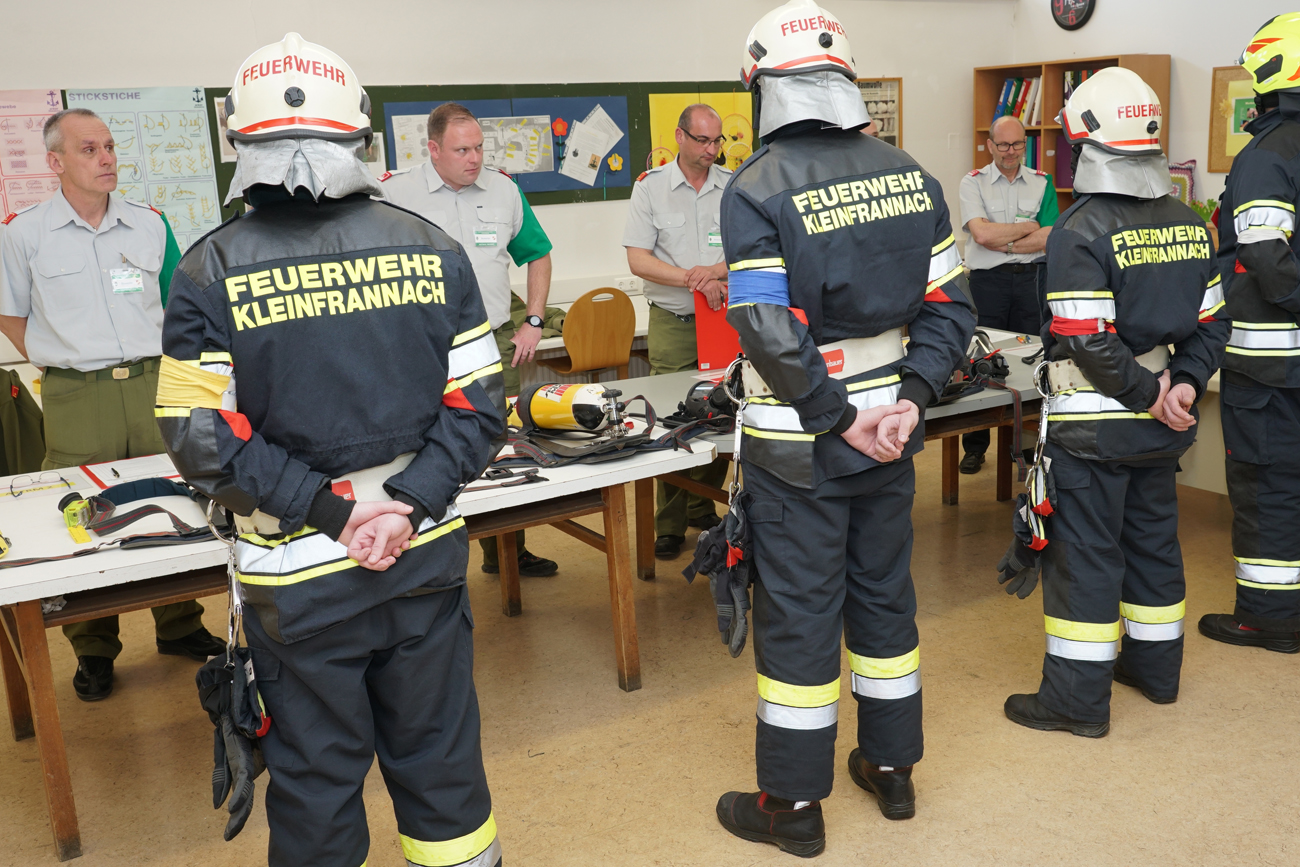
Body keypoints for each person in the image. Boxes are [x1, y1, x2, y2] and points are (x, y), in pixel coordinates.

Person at [156, 34, 505, 867]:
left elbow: (200, 436)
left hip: (298, 572)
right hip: (421, 551)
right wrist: (406, 505)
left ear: (237, 140)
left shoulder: (210, 268)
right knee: (441, 755)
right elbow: (480, 405)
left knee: (316, 778)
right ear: (361, 134)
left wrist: (333, 513)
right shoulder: (434, 247)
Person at [713, 1, 975, 856]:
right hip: (892, 435)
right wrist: (912, 398)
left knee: (800, 616)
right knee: (885, 600)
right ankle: (893, 768)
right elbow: (951, 309)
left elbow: (765, 326)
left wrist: (835, 418)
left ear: (760, 85)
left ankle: (791, 805)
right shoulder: (911, 174)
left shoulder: (755, 188)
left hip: (803, 449)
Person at [1000, 68, 1228, 736]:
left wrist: (1150, 395)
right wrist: (1181, 384)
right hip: (1161, 428)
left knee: (1085, 559)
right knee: (1153, 547)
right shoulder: (1190, 223)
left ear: (1083, 142)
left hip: (1094, 431)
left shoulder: (1079, 230)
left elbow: (1087, 340)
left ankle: (1075, 702)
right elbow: (1213, 324)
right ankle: (1156, 673)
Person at [0, 108, 224, 703]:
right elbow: (10, 313)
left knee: (173, 496)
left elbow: (178, 303)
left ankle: (180, 624)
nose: (106, 159)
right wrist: (57, 359)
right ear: (55, 161)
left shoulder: (150, 223)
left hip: (153, 382)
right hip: (77, 393)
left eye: (110, 147)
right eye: (89, 149)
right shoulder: (23, 233)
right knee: (82, 512)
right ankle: (94, 647)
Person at [382, 102, 558, 578]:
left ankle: (507, 553)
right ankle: (424, 554)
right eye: (462, 150)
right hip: (422, 350)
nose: (475, 158)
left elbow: (538, 254)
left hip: (490, 344)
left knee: (496, 445)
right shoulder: (393, 195)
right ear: (433, 149)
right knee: (422, 448)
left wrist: (534, 320)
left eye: (479, 147)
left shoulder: (503, 190)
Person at [1199, 14, 1300, 654]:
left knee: (1269, 488)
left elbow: (1266, 258)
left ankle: (1269, 617)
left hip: (1270, 369)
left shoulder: (1267, 155)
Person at [623, 103, 732, 559]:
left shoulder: (732, 186)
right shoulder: (650, 188)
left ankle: (700, 505)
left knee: (723, 409)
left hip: (723, 319)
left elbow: (750, 248)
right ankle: (667, 524)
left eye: (717, 140)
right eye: (703, 140)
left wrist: (715, 273)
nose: (712, 149)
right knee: (673, 420)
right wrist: (694, 278)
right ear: (680, 136)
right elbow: (638, 260)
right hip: (673, 320)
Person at [956, 115, 1058, 474]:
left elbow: (1049, 235)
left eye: (1016, 144)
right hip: (988, 283)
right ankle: (975, 446)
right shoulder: (973, 183)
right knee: (980, 359)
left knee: (1031, 357)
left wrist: (1007, 243)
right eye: (1002, 144)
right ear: (990, 145)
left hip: (1031, 281)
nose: (1010, 151)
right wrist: (1028, 227)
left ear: (1024, 144)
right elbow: (981, 235)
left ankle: (1027, 447)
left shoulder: (1043, 183)